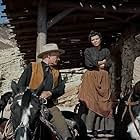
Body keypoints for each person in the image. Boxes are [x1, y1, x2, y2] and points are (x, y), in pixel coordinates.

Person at [17, 43, 72, 140]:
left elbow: (61, 88)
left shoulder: (56, 72)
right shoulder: (32, 67)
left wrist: (51, 93)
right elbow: (20, 86)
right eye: (57, 56)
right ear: (48, 55)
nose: (58, 59)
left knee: (64, 131)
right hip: (29, 106)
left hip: (49, 106)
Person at [78, 30, 113, 137]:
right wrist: (101, 63)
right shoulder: (88, 51)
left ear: (100, 39)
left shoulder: (106, 50)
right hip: (91, 79)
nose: (95, 41)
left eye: (97, 39)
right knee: (91, 102)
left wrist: (99, 63)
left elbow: (109, 62)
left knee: (104, 102)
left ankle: (104, 129)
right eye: (93, 40)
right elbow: (89, 63)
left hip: (104, 78)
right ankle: (88, 128)